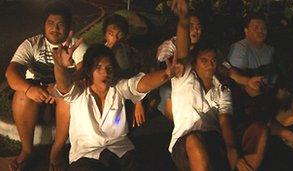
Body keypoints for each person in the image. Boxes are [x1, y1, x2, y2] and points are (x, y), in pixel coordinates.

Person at [52, 33, 180, 170]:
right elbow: (64, 87)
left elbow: (139, 84)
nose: (105, 73)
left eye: (109, 68)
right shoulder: (79, 91)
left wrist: (165, 74)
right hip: (86, 156)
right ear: (89, 70)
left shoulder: (118, 87)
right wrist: (60, 66)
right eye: (98, 67)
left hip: (121, 152)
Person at [5, 2, 87, 171]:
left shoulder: (75, 46)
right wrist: (29, 89)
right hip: (37, 91)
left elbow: (83, 72)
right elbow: (11, 73)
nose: (55, 28)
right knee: (21, 95)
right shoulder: (32, 44)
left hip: (63, 91)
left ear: (69, 27)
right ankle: (26, 151)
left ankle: (55, 154)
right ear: (44, 25)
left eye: (60, 24)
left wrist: (59, 87)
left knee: (68, 99)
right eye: (50, 23)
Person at [225, 13, 293, 170]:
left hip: (268, 94)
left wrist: (281, 92)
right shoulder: (240, 48)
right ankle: (279, 131)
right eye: (256, 28)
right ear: (246, 30)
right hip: (248, 97)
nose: (260, 31)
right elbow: (237, 80)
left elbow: (276, 77)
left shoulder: (270, 51)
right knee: (252, 92)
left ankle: (274, 129)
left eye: (263, 28)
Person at [168, 0, 238, 170]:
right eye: (204, 60)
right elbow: (183, 50)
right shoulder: (183, 77)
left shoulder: (222, 89)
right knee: (194, 139)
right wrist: (184, 19)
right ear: (196, 62)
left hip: (213, 141)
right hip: (184, 143)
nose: (209, 64)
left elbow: (225, 121)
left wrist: (231, 149)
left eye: (213, 60)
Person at [156, 11, 204, 120]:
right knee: (167, 91)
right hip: (172, 82)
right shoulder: (170, 44)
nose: (196, 30)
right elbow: (164, 63)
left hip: (194, 83)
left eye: (198, 27)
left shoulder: (203, 46)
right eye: (191, 26)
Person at [103, 14, 147, 127]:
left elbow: (138, 75)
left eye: (119, 34)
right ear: (105, 35)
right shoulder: (99, 54)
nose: (115, 39)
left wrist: (138, 102)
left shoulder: (133, 53)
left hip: (127, 93)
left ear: (125, 35)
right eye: (111, 34)